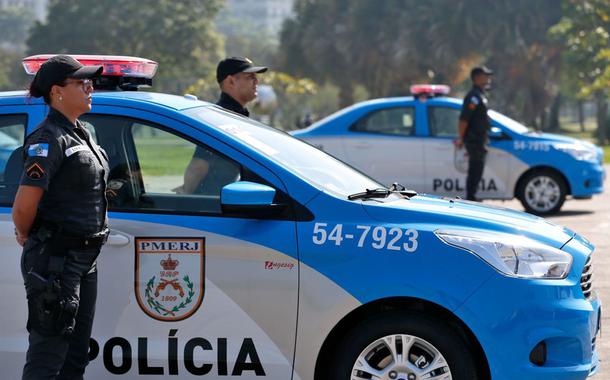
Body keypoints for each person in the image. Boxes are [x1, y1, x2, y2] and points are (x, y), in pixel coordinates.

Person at [12, 55, 109, 380]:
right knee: (47, 360)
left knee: (74, 360)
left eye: (89, 81)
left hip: (84, 260)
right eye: (81, 82)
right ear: (57, 91)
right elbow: (24, 208)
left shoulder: (82, 133)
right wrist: (29, 234)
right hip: (56, 261)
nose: (89, 87)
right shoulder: (47, 139)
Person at [175, 57, 267, 194]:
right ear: (231, 81)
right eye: (250, 77)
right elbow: (199, 165)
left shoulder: (233, 115)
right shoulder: (220, 119)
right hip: (211, 205)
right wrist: (186, 195)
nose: (256, 81)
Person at [455, 66, 493, 201]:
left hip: (480, 139)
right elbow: (464, 120)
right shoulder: (473, 97)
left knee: (478, 169)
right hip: (474, 140)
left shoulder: (480, 95)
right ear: (476, 78)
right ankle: (471, 197)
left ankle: (472, 196)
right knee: (475, 169)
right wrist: (461, 138)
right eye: (485, 75)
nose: (488, 78)